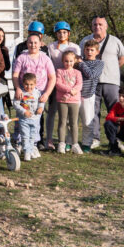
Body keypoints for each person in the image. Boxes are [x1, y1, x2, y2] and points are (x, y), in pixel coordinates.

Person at [78, 16, 124, 149]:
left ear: (106, 26)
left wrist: (113, 69)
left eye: (100, 24)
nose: (97, 27)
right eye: (95, 24)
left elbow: (123, 58)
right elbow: (80, 59)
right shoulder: (85, 41)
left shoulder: (115, 41)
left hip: (111, 81)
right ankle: (95, 138)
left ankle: (116, 138)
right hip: (91, 82)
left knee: (114, 110)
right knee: (93, 111)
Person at [12, 33, 56, 152]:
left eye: (35, 42)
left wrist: (46, 93)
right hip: (24, 93)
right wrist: (17, 88)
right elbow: (15, 75)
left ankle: (33, 143)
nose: (33, 45)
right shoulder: (22, 57)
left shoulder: (45, 58)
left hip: (39, 94)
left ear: (40, 44)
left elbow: (52, 77)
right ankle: (20, 142)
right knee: (22, 118)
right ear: (27, 44)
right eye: (30, 42)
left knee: (36, 120)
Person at [45, 21, 81, 150]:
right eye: (59, 32)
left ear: (69, 33)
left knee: (70, 115)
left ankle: (69, 141)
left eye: (64, 32)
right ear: (56, 34)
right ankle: (49, 139)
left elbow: (78, 64)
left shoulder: (75, 47)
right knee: (52, 111)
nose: (62, 34)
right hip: (56, 81)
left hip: (70, 82)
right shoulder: (51, 47)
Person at [76, 40, 105, 152]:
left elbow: (91, 75)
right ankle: (70, 142)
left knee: (87, 121)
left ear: (97, 52)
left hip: (88, 96)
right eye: (87, 50)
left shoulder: (99, 63)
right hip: (75, 95)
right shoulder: (78, 63)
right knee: (71, 121)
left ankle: (86, 143)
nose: (89, 52)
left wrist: (81, 63)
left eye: (92, 50)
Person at [54, 50, 83, 154]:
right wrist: (69, 91)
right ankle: (61, 143)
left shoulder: (78, 73)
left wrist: (69, 94)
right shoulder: (59, 71)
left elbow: (79, 85)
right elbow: (58, 84)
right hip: (62, 101)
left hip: (74, 101)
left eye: (71, 61)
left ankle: (75, 144)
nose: (68, 63)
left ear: (74, 61)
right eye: (66, 61)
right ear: (62, 61)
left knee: (74, 123)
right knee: (62, 122)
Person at [14, 73, 43, 161]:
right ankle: (26, 152)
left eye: (31, 84)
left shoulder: (37, 92)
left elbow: (41, 102)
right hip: (24, 120)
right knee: (25, 136)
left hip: (35, 119)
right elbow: (15, 104)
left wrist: (40, 108)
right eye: (26, 84)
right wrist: (24, 111)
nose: (29, 87)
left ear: (35, 84)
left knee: (32, 136)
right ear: (23, 83)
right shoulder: (21, 93)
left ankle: (30, 151)